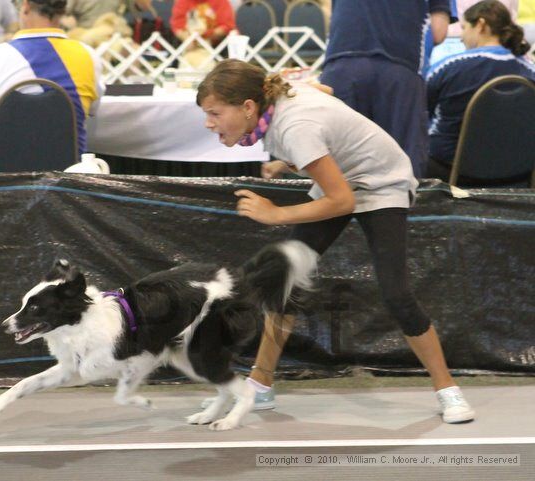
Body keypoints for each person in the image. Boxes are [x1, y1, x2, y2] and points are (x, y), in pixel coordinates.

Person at [195, 59, 476, 424]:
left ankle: (447, 389)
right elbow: (325, 94)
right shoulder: (279, 102)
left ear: (249, 107)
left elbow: (341, 201)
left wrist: (276, 213)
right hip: (343, 178)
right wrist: (297, 160)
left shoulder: (296, 128)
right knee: (283, 279)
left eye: (215, 113)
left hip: (381, 182)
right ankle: (260, 386)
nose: (208, 123)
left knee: (396, 292)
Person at [0, 0, 105, 173]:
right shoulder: (89, 56)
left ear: (25, 6)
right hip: (68, 171)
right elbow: (92, 110)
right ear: (63, 11)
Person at [320, 0, 455, 178]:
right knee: (402, 168)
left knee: (338, 163)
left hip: (342, 63)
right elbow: (438, 32)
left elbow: (328, 8)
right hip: (399, 67)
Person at [425, 0, 535, 181]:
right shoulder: (530, 72)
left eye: (464, 27)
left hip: (449, 171)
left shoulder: (449, 67)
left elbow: (420, 111)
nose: (461, 37)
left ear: (481, 25)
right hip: (517, 175)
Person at [170, 0, 235, 47]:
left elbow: (227, 26)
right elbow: (177, 26)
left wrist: (206, 36)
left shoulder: (221, 2)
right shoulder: (182, 2)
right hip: (189, 42)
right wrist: (186, 38)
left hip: (216, 43)